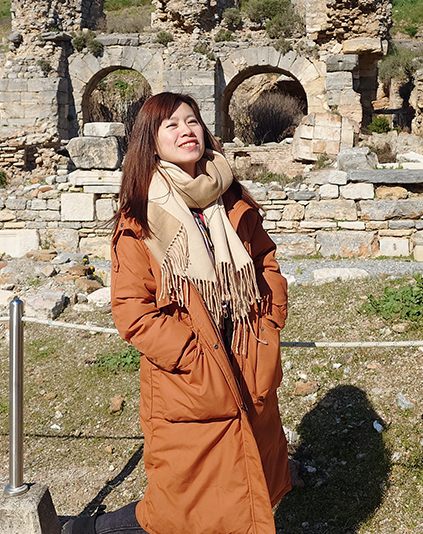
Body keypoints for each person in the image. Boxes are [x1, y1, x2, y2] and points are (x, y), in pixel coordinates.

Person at [67, 92, 290, 534]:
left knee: (248, 480)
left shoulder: (231, 198)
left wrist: (270, 320)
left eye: (192, 121)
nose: (186, 130)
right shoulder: (141, 217)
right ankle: (89, 530)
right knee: (184, 504)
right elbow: (133, 311)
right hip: (192, 379)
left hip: (247, 354)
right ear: (150, 142)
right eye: (171, 125)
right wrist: (193, 358)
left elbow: (266, 261)